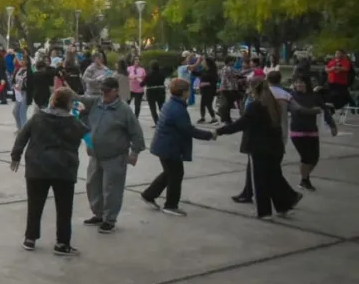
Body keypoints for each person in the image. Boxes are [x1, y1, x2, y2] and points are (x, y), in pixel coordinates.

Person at [10, 87, 88, 256]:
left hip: (37, 166)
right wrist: (81, 114)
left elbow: (22, 135)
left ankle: (30, 238)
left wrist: (16, 156)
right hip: (64, 168)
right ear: (69, 103)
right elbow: (85, 133)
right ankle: (62, 243)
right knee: (64, 208)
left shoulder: (38, 117)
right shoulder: (73, 122)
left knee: (35, 204)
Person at [217, 79, 303, 219]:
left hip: (259, 148)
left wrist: (219, 131)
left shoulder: (255, 106)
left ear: (253, 90)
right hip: (275, 147)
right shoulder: (274, 105)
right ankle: (284, 205)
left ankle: (263, 211)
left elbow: (240, 124)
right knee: (273, 177)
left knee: (259, 180)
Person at [76, 76, 145, 233]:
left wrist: (134, 152)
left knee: (112, 189)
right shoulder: (96, 103)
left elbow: (136, 132)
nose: (104, 94)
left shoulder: (124, 110)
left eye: (107, 91)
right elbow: (77, 98)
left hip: (115, 156)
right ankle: (99, 214)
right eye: (102, 91)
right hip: (95, 155)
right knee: (93, 186)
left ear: (116, 91)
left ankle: (109, 219)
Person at [140, 79, 214, 216]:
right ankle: (171, 205)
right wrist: (209, 135)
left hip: (164, 145)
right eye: (188, 90)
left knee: (170, 173)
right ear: (184, 92)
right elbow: (188, 130)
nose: (189, 93)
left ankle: (149, 195)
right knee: (175, 174)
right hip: (169, 146)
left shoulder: (172, 103)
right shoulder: (177, 109)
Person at [289, 76, 337, 192]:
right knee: (306, 157)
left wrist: (332, 125)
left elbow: (325, 110)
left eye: (301, 82)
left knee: (314, 159)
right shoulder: (291, 96)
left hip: (312, 131)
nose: (298, 85)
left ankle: (304, 178)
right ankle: (305, 180)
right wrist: (314, 110)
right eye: (296, 83)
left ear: (307, 84)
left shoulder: (314, 96)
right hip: (298, 131)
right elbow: (298, 110)